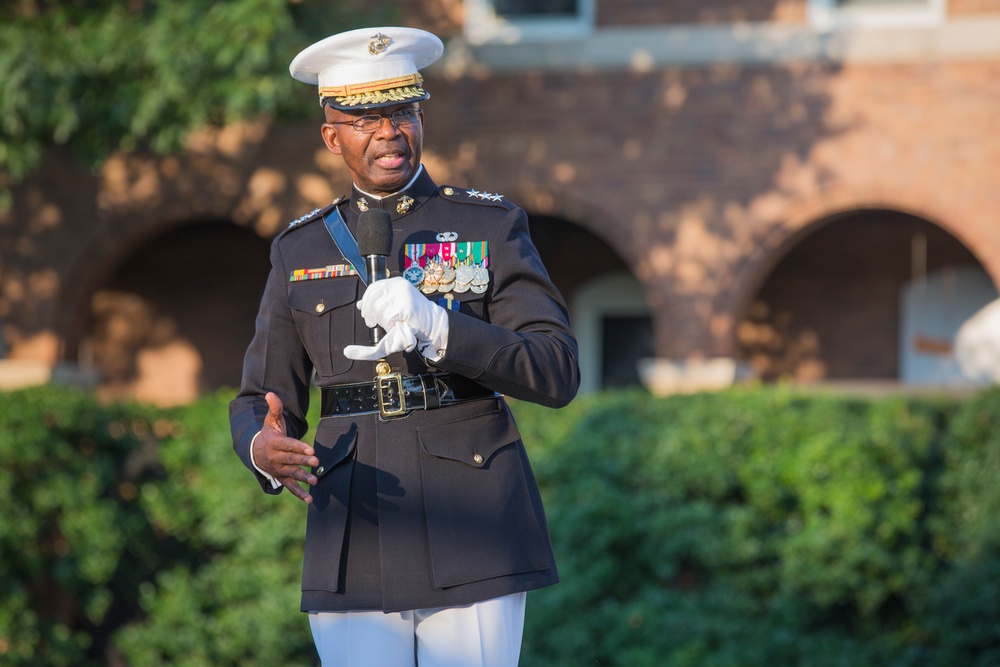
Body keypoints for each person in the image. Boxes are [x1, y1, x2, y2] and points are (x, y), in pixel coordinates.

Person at [228, 26, 580, 667]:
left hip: (470, 511)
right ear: (333, 136)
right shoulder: (299, 249)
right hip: (354, 510)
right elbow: (263, 394)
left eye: (403, 111)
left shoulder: (488, 224)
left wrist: (440, 326)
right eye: (365, 118)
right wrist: (260, 445)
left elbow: (555, 370)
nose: (389, 132)